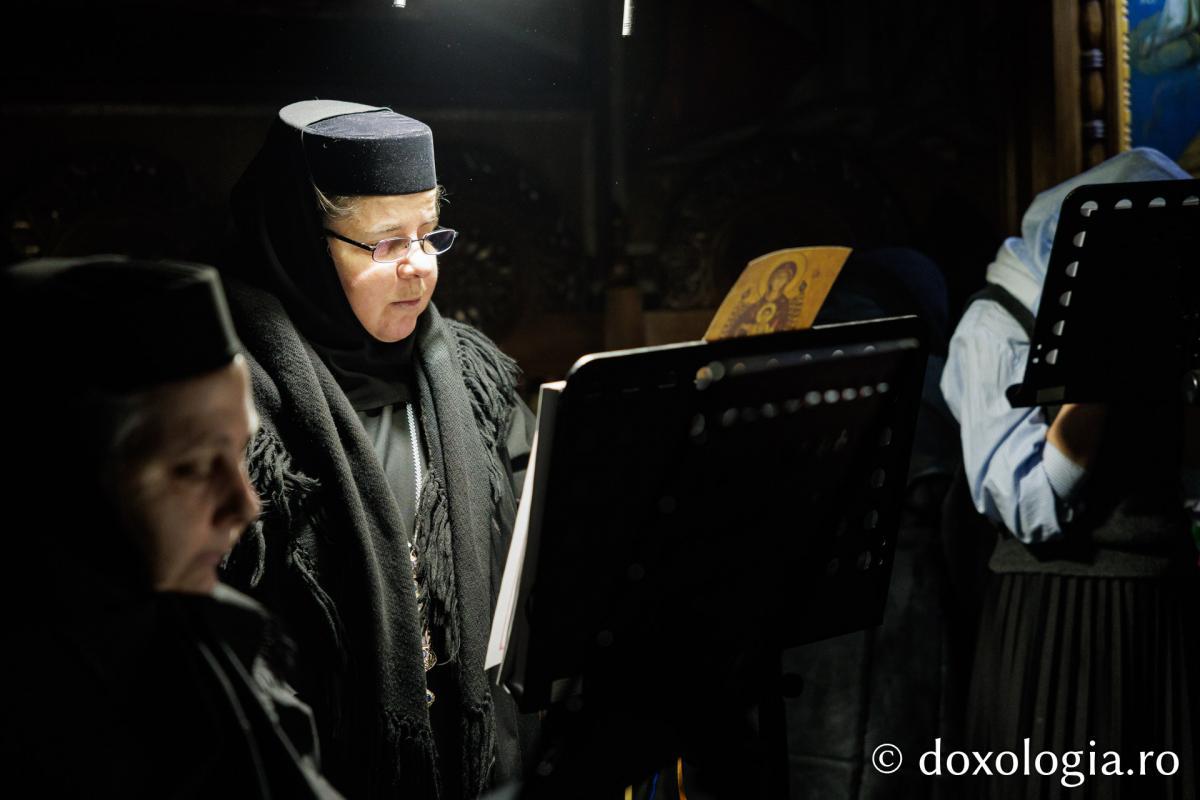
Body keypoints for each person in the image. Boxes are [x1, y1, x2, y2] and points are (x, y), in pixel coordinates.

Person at [219, 99, 537, 798]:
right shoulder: (230, 414)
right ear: (303, 244)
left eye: (430, 234)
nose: (419, 268)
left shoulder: (473, 381)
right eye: (387, 243)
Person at [0, 256, 342, 799]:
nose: (245, 505)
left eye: (240, 450)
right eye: (193, 468)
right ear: (66, 479)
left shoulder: (203, 631)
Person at [940, 148, 1199, 798]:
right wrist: (1096, 374)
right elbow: (1032, 507)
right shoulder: (997, 323)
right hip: (1064, 616)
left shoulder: (1163, 320)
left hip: (1157, 607)